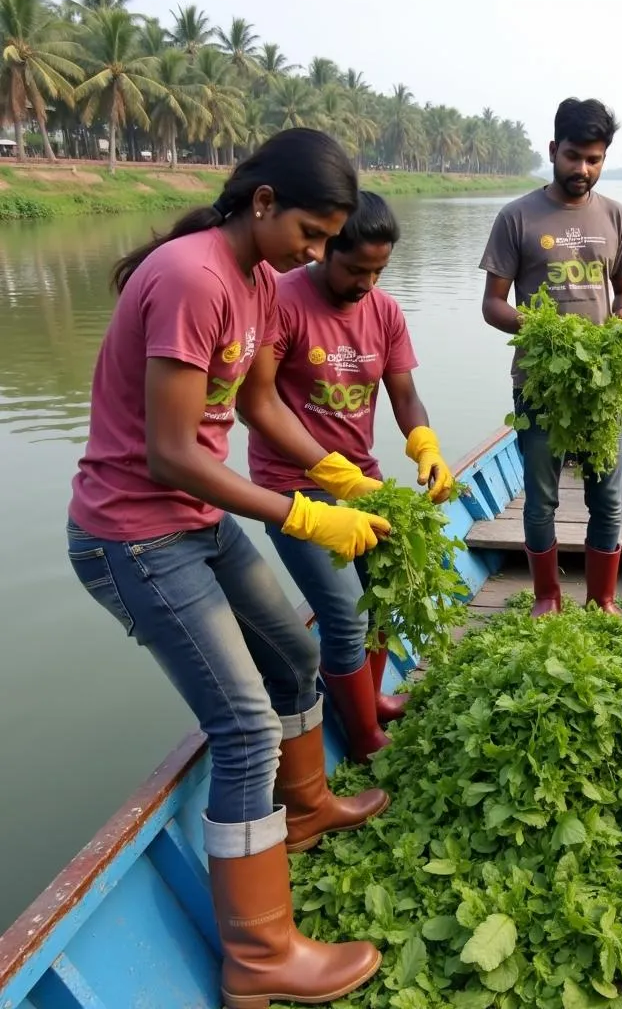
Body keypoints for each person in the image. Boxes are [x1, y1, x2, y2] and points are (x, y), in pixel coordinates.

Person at [66, 129, 396, 1009]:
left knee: (291, 656)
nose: (319, 254)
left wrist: (333, 472)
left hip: (197, 520)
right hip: (134, 536)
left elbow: (255, 403)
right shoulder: (191, 277)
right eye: (313, 236)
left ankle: (307, 809)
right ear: (262, 204)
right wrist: (298, 511)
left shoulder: (253, 282)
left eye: (330, 241)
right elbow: (174, 452)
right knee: (246, 724)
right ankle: (261, 958)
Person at [248, 190, 454, 763]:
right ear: (322, 250)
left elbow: (405, 394)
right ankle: (364, 739)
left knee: (383, 596)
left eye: (378, 270)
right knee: (342, 612)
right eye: (355, 269)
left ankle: (371, 699)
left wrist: (426, 447)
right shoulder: (280, 302)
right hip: (293, 487)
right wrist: (326, 473)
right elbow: (258, 402)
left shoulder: (384, 311)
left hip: (363, 481)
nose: (366, 283)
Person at [479, 96, 622, 617]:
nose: (583, 169)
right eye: (574, 156)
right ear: (553, 150)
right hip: (539, 381)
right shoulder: (517, 216)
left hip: (603, 383)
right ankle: (547, 597)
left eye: (595, 159)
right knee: (542, 498)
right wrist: (543, 328)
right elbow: (492, 305)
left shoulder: (615, 216)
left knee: (608, 497)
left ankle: (603, 600)